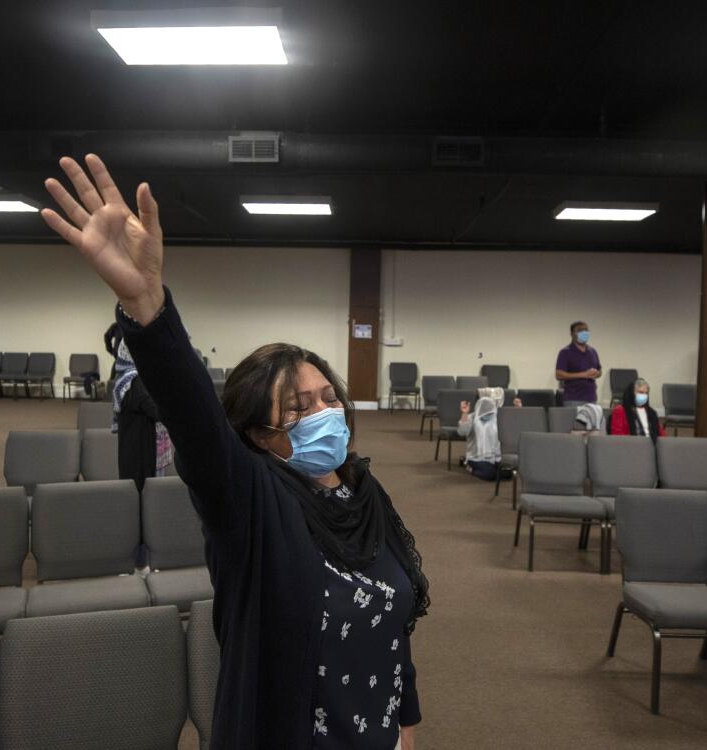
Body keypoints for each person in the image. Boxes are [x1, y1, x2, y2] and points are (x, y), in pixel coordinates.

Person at [40, 154, 428, 750]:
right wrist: (148, 305)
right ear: (256, 435)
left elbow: (390, 626)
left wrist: (404, 729)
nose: (324, 414)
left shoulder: (363, 494)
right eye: (298, 408)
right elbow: (196, 422)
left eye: (330, 399)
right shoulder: (250, 501)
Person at [112, 340, 174, 491]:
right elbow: (158, 411)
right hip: (142, 453)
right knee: (144, 497)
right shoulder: (136, 381)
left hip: (137, 449)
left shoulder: (129, 377)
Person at [457, 396, 504, 480]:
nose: (487, 414)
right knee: (490, 474)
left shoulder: (495, 419)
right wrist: (464, 413)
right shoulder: (471, 418)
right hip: (477, 458)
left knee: (507, 473)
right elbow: (462, 432)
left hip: (494, 457)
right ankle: (469, 468)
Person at [555, 321, 601, 406]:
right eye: (580, 330)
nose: (584, 333)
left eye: (586, 330)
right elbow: (559, 374)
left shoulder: (592, 351)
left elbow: (599, 370)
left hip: (591, 398)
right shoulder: (565, 352)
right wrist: (584, 374)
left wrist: (596, 373)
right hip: (573, 398)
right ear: (572, 334)